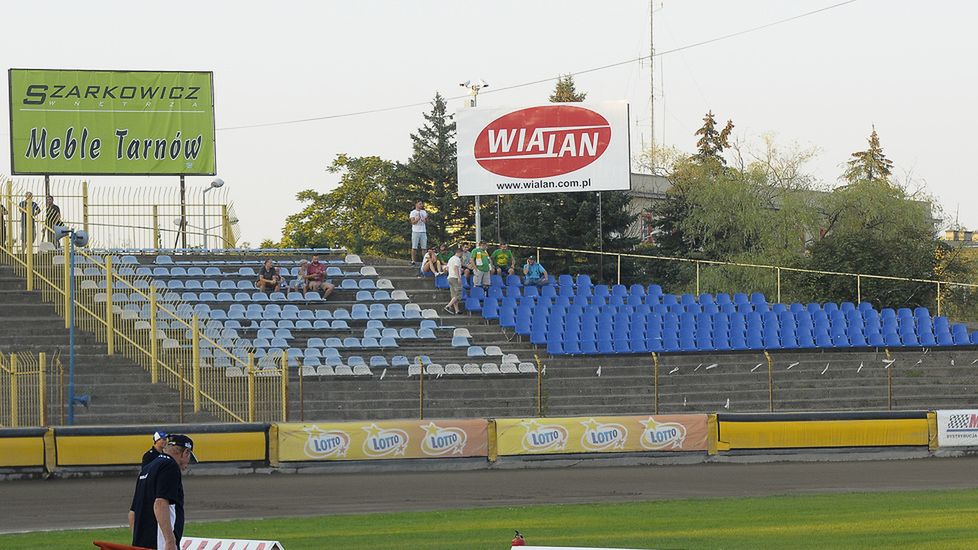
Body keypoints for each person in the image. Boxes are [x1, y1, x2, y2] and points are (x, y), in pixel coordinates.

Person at [129, 434, 196, 550]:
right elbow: (160, 503)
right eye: (189, 456)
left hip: (141, 543)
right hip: (160, 544)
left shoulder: (147, 468)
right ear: (186, 452)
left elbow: (132, 513)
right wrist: (170, 541)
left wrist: (137, 541)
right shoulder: (170, 466)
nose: (188, 462)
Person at [444, 248, 464, 315]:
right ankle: (448, 306)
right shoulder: (457, 259)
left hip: (450, 277)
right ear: (459, 252)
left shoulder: (451, 258)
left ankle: (457, 310)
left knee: (454, 295)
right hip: (455, 278)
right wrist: (459, 278)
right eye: (462, 253)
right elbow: (455, 268)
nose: (462, 254)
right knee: (458, 294)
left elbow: (447, 268)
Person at [409, 200, 428, 265]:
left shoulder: (424, 212)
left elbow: (426, 221)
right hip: (415, 231)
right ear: (416, 204)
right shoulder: (413, 212)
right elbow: (412, 222)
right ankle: (413, 261)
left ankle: (424, 261)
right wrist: (416, 220)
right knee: (414, 247)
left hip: (423, 231)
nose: (421, 205)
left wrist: (424, 220)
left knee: (424, 247)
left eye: (421, 204)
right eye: (420, 204)